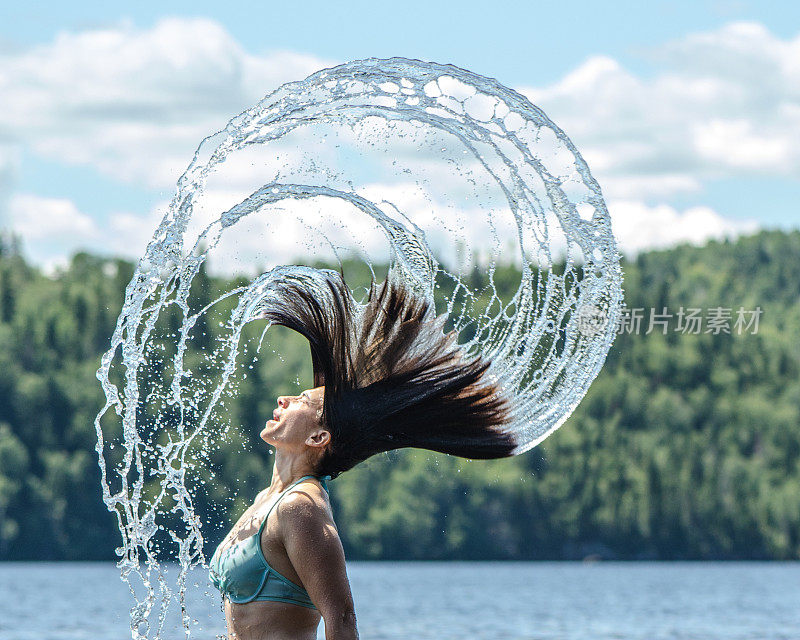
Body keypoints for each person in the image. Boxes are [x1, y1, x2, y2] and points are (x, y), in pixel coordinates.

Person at [209, 269, 517, 639]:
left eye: (302, 401)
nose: (284, 399)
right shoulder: (268, 499)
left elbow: (342, 620)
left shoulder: (300, 508)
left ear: (319, 436)